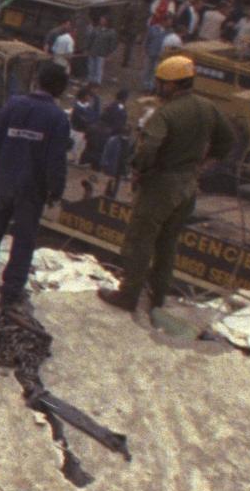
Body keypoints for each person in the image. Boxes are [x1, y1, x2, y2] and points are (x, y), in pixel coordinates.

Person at [100, 52, 238, 322]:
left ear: (173, 84)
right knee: (168, 243)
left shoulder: (166, 113)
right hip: (188, 186)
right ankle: (158, 297)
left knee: (141, 240)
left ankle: (128, 295)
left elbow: (149, 146)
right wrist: (206, 162)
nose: (159, 86)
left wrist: (139, 168)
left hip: (161, 185)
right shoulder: (207, 106)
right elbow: (228, 138)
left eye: (162, 82)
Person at [0, 60, 74, 307]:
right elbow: (56, 160)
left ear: (38, 81)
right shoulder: (57, 117)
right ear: (59, 88)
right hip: (31, 189)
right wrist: (55, 191)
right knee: (23, 240)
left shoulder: (14, 105)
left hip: (2, 181)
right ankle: (11, 292)